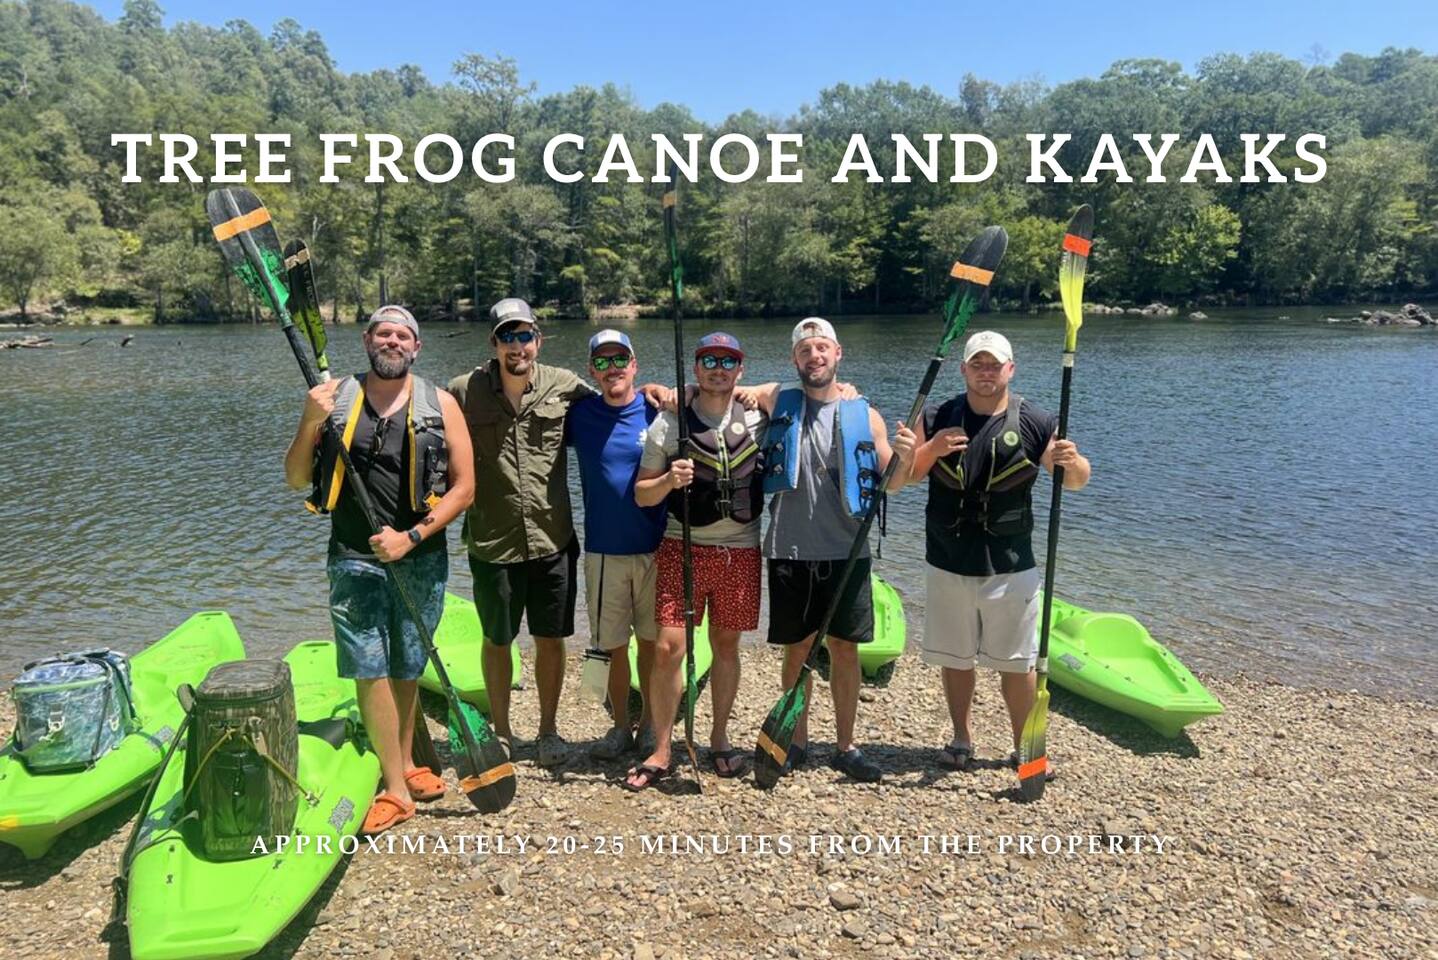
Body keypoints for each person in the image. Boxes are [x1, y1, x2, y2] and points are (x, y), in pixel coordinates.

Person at [447, 299, 666, 767]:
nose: (518, 345)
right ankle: (503, 732)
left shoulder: (564, 387)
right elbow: (424, 423)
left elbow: (616, 397)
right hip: (492, 541)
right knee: (497, 640)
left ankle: (548, 730)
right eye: (508, 336)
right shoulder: (464, 390)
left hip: (553, 540)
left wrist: (654, 389)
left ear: (538, 339)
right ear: (494, 343)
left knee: (551, 639)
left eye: (525, 335)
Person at [283, 305, 475, 836]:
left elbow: (464, 488)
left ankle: (406, 762)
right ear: (368, 340)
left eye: (402, 336)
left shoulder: (441, 403)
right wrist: (310, 420)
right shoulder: (334, 399)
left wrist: (411, 537)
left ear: (416, 347)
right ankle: (395, 788)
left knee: (408, 665)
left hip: (420, 556)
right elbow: (296, 478)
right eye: (383, 334)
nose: (393, 342)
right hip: (353, 555)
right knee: (369, 668)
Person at [894, 330, 1091, 774]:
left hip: (1011, 564)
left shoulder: (1036, 421)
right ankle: (961, 738)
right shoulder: (938, 415)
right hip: (947, 559)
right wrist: (929, 448)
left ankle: (1026, 747)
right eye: (978, 364)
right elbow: (905, 478)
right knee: (955, 658)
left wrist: (1073, 461)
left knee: (1017, 664)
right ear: (964, 369)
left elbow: (1077, 480)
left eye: (994, 365)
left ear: (1010, 369)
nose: (986, 372)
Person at [755, 317, 903, 784]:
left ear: (837, 353)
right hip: (790, 549)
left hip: (848, 551)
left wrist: (912, 451)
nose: (814, 356)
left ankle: (845, 745)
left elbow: (895, 482)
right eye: (805, 350)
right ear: (794, 359)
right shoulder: (777, 399)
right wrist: (668, 392)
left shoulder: (866, 414)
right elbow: (731, 389)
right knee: (797, 648)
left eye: (822, 348)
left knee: (844, 648)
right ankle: (795, 740)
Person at [631, 332, 767, 788]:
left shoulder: (757, 416)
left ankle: (720, 737)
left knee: (726, 645)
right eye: (709, 361)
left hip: (740, 551)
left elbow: (801, 391)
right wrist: (669, 480)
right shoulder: (670, 423)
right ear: (695, 368)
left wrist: (845, 389)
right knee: (669, 648)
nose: (718, 369)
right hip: (682, 547)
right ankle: (661, 746)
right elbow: (643, 495)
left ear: (740, 369)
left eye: (728, 362)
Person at [566, 330, 667, 761]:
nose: (613, 369)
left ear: (634, 364)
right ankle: (620, 726)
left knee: (651, 643)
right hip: (604, 551)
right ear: (592, 370)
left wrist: (663, 390)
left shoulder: (657, 410)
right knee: (611, 646)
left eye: (620, 359)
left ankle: (650, 726)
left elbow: (710, 400)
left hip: (655, 548)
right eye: (603, 362)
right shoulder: (580, 416)